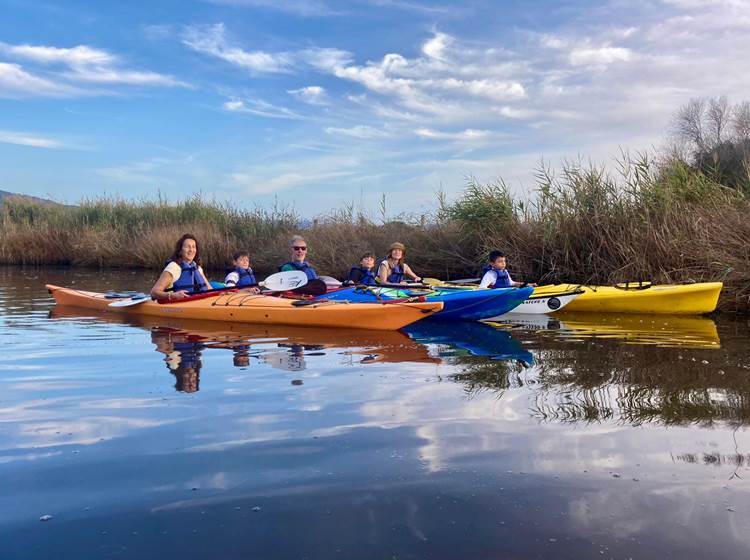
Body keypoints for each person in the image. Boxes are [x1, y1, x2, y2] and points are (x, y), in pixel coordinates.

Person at [150, 233, 211, 301]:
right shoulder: (174, 267)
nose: (191, 250)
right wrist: (173, 295)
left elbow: (210, 289)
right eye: (187, 247)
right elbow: (154, 292)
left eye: (193, 247)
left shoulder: (197, 268)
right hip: (178, 305)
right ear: (180, 251)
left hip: (199, 303)